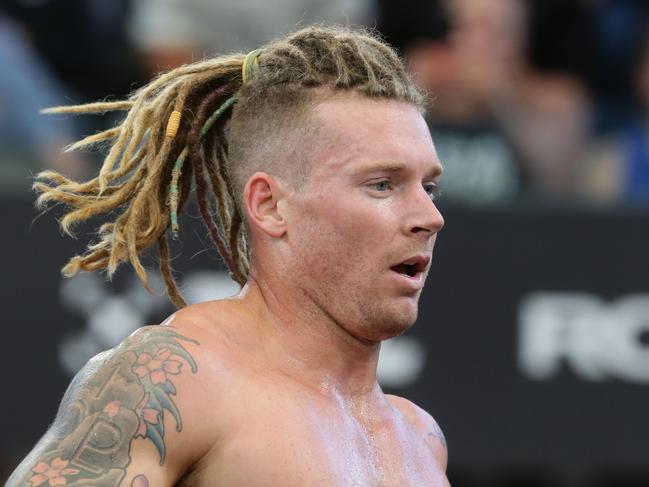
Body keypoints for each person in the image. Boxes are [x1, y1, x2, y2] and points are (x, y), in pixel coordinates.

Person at [7, 25, 448, 486]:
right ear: (270, 206)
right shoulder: (177, 382)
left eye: (430, 186)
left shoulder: (420, 440)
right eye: (381, 184)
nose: (430, 216)